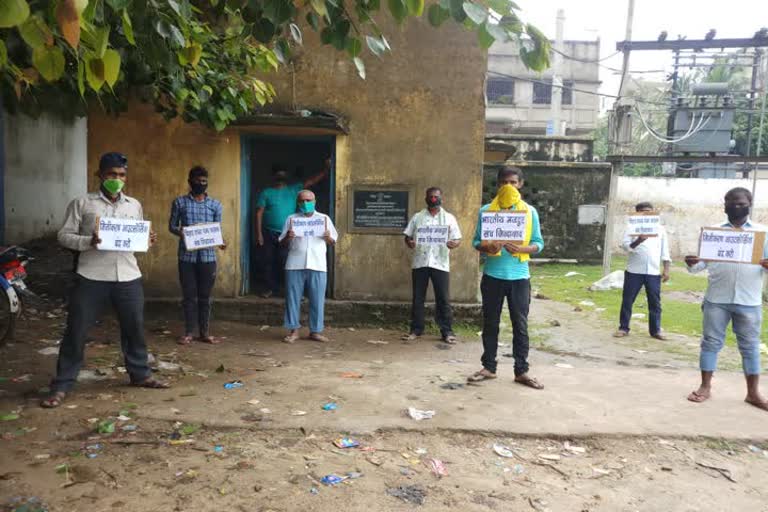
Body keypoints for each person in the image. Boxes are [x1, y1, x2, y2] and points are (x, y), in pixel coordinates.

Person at [41, 152, 168, 408]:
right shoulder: (82, 203)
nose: (117, 179)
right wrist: (89, 242)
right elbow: (64, 236)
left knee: (134, 327)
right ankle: (63, 384)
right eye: (111, 174)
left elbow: (136, 239)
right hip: (91, 276)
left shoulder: (134, 205)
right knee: (77, 330)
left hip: (128, 275)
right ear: (100, 175)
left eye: (121, 175)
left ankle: (140, 374)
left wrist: (147, 239)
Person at [685, 187, 768, 411]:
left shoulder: (763, 234)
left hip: (749, 301)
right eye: (730, 203)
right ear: (724, 206)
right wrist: (692, 262)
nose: (735, 206)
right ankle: (705, 387)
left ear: (750, 204)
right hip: (717, 300)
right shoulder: (714, 233)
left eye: (740, 203)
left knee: (750, 347)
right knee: (710, 343)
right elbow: (699, 266)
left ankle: (753, 393)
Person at [468, 166, 544, 389]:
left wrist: (524, 248)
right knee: (490, 322)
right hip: (492, 276)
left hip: (520, 277)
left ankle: (521, 370)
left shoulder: (529, 212)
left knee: (520, 325)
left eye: (513, 182)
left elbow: (539, 243)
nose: (508, 186)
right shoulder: (486, 211)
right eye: (504, 182)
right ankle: (488, 367)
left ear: (520, 184)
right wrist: (487, 246)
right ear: (498, 185)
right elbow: (475, 242)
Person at [256, 159, 331, 298]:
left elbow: (311, 182)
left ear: (286, 176)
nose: (280, 177)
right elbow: (259, 212)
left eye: (282, 175)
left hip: (290, 233)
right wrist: (259, 234)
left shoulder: (294, 189)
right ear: (273, 176)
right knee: (268, 261)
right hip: (269, 232)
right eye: (278, 175)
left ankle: (289, 290)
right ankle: (269, 288)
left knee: (287, 261)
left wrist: (325, 171)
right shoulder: (266, 192)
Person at [169, 165, 226, 345]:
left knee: (205, 296)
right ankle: (188, 332)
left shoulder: (215, 205)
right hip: (186, 257)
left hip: (208, 258)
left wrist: (221, 241)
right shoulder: (179, 202)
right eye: (197, 181)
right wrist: (182, 233)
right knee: (189, 296)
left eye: (204, 181)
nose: (201, 184)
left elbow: (216, 230)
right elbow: (172, 226)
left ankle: (205, 332)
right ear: (190, 182)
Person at [401, 187, 462, 344]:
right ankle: (416, 329)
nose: (433, 199)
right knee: (418, 297)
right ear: (426, 198)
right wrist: (410, 243)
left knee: (443, 298)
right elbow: (407, 237)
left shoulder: (449, 218)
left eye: (436, 196)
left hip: (440, 263)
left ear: (441, 198)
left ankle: (447, 331)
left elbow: (457, 239)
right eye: (430, 196)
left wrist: (453, 244)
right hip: (420, 262)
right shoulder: (417, 217)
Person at [279, 190, 338, 343]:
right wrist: (288, 236)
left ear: (315, 201)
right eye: (302, 201)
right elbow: (282, 242)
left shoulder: (324, 219)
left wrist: (328, 237)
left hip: (318, 264)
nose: (306, 203)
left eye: (309, 200)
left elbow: (333, 241)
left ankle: (315, 331)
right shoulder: (291, 219)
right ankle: (294, 331)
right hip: (294, 263)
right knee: (292, 299)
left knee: (317, 299)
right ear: (298, 202)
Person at [614, 202, 671, 340]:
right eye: (643, 212)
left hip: (653, 271)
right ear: (637, 213)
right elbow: (626, 247)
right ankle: (623, 328)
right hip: (634, 271)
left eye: (649, 211)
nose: (646, 214)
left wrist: (666, 269)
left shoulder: (660, 229)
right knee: (628, 300)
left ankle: (655, 330)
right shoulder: (631, 227)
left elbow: (665, 250)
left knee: (655, 302)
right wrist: (638, 240)